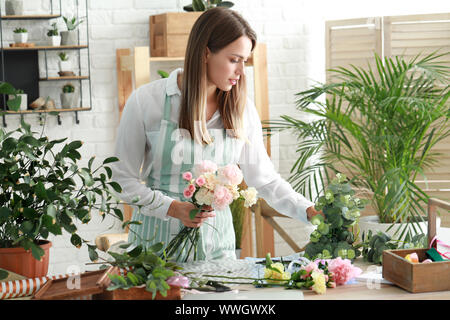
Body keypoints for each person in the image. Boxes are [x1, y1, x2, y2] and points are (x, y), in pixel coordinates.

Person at [112, 7, 322, 262]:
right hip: (155, 253)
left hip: (218, 252)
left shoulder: (241, 109)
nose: (241, 71)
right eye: (234, 59)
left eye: (244, 61)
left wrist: (309, 210)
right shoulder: (147, 101)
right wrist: (173, 208)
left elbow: (264, 179)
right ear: (205, 52)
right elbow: (122, 180)